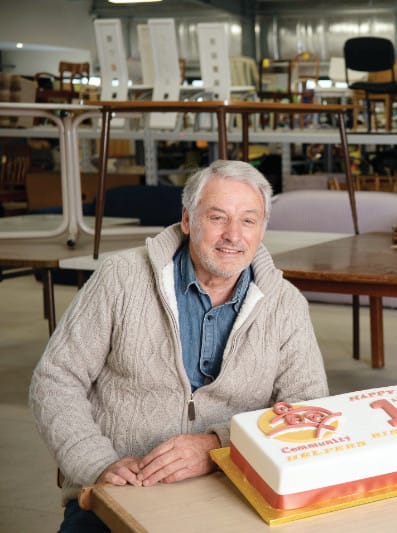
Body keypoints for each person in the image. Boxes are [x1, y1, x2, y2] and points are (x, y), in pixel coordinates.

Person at [29, 160, 329, 532]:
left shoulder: (286, 304)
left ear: (263, 229)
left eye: (248, 221)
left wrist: (217, 447)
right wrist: (97, 464)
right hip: (121, 488)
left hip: (236, 490)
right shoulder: (120, 278)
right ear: (188, 220)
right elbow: (55, 380)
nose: (233, 235)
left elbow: (308, 410)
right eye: (218, 217)